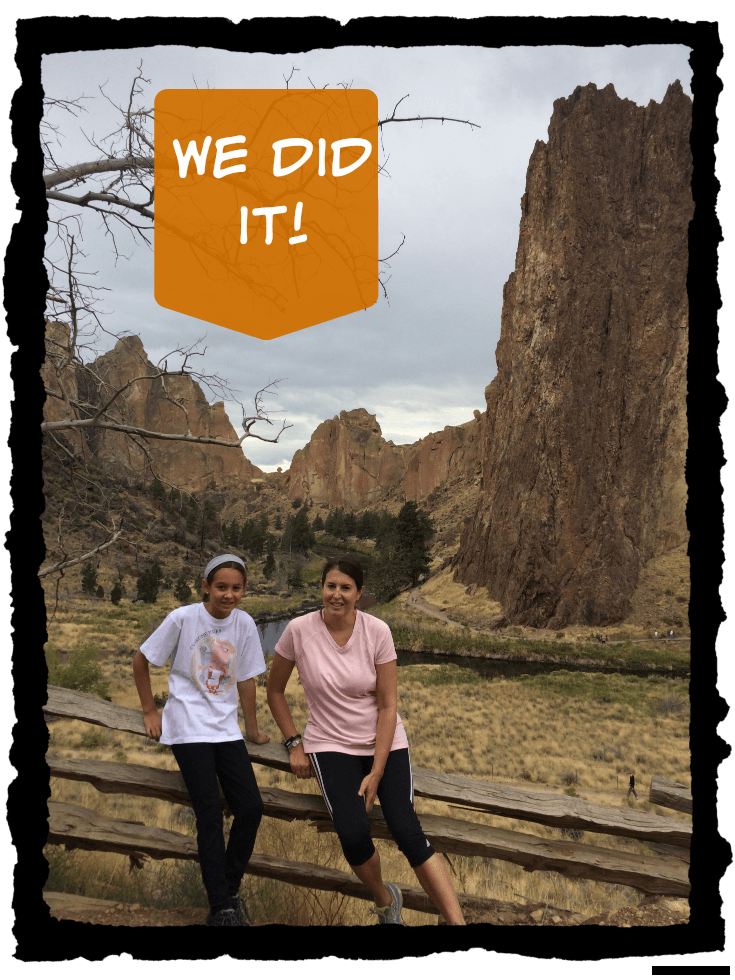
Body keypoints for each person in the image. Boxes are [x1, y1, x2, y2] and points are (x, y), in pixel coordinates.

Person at [267, 555, 466, 926]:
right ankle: (385, 899)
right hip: (329, 743)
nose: (337, 595)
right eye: (331, 586)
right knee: (354, 833)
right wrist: (294, 742)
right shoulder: (298, 630)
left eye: (346, 588)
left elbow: (389, 705)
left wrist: (376, 770)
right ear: (321, 589)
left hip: (384, 741)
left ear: (359, 593)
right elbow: (274, 690)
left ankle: (457, 924)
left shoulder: (377, 631)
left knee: (407, 830)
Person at [133, 553, 269, 927]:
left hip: (224, 728)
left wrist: (253, 730)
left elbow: (246, 680)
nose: (229, 595)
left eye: (236, 588)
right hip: (188, 725)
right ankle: (221, 909)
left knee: (252, 808)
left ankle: (229, 888)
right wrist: (149, 710)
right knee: (209, 812)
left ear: (244, 590)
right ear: (206, 587)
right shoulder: (183, 618)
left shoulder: (244, 623)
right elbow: (142, 659)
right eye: (221, 587)